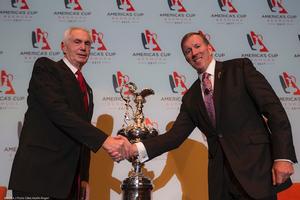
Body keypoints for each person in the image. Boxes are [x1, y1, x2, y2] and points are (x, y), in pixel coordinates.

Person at [124, 32, 298, 200]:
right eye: (188, 51)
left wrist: (283, 157)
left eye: (197, 46)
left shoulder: (239, 68)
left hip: (255, 170)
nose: (194, 53)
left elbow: (274, 110)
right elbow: (174, 136)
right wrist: (136, 149)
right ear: (186, 58)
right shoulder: (191, 97)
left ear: (210, 48)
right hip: (221, 181)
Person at [9, 27, 130, 199]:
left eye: (87, 44)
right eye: (77, 42)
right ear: (64, 47)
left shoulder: (87, 89)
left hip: (69, 182)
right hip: (39, 176)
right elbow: (59, 111)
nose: (83, 48)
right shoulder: (46, 68)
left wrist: (83, 178)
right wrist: (105, 140)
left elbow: (82, 134)